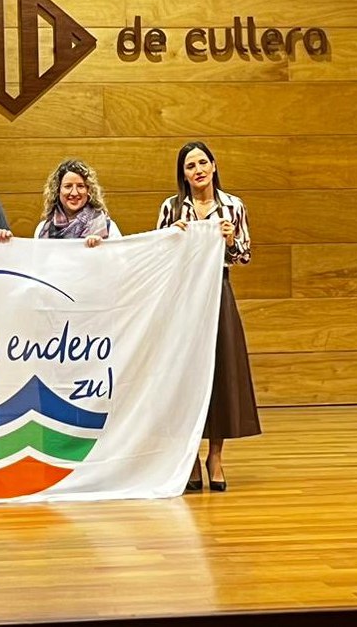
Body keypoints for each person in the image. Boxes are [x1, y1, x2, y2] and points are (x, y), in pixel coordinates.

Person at [157, 141, 260, 493]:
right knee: (184, 376)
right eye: (190, 166)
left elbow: (244, 256)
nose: (198, 170)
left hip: (218, 291)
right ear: (183, 174)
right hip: (184, 298)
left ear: (214, 166)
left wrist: (231, 241)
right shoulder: (172, 208)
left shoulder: (233, 206)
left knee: (221, 374)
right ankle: (189, 458)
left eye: (203, 162)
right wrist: (175, 238)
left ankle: (215, 456)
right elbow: (159, 255)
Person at [34, 159, 121, 247]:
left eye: (80, 186)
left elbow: (120, 260)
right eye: (68, 186)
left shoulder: (107, 227)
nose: (74, 193)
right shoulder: (43, 229)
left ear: (88, 190)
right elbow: (38, 260)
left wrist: (102, 248)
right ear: (57, 190)